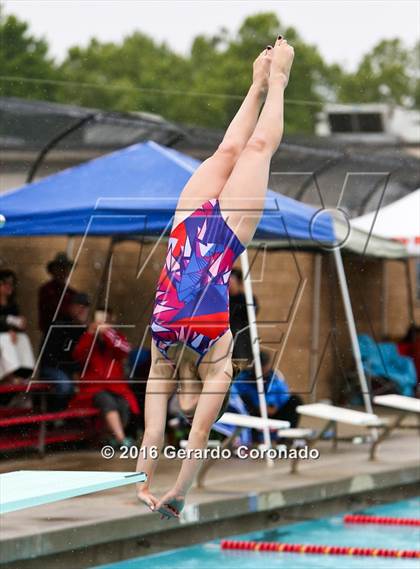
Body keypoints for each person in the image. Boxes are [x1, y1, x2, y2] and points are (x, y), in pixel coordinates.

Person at [136, 36, 295, 520]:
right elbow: (199, 436)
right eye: (193, 405)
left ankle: (255, 85)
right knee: (258, 149)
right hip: (226, 234)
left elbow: (151, 435)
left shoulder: (163, 357)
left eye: (182, 406)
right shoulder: (220, 359)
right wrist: (179, 492)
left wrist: (145, 484)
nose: (185, 406)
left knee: (228, 148)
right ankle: (281, 80)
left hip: (186, 225)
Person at [70, 305, 139, 447]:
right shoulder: (87, 337)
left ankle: (111, 436)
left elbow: (124, 350)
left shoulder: (116, 336)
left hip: (116, 387)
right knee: (107, 402)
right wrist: (91, 333)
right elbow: (79, 355)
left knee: (123, 405)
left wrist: (108, 334)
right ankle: (121, 439)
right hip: (93, 388)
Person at [38, 292, 90, 411]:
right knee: (65, 385)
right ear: (71, 307)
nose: (83, 309)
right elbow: (52, 357)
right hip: (53, 369)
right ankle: (55, 417)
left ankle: (72, 418)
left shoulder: (86, 330)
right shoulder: (58, 326)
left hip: (71, 371)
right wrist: (74, 373)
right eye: (79, 305)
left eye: (86, 306)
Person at [234, 350, 303, 430]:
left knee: (295, 400)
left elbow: (283, 395)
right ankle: (252, 435)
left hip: (273, 412)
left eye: (264, 367)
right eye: (259, 367)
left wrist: (272, 405)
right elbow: (236, 395)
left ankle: (287, 435)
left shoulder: (275, 378)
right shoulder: (243, 378)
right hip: (254, 413)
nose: (262, 371)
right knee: (244, 401)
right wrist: (258, 406)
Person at [0, 269, 35, 384]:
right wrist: (8, 329)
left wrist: (20, 324)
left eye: (11, 283)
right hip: (3, 337)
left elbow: (17, 323)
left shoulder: (13, 305)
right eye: (6, 283)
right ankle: (8, 375)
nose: (9, 287)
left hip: (12, 336)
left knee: (23, 339)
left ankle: (23, 373)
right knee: (5, 339)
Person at [38, 252, 77, 335]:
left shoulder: (71, 292)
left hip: (68, 333)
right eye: (60, 268)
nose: (63, 272)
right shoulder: (46, 290)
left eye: (66, 268)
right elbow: (54, 309)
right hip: (51, 333)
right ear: (53, 270)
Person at [229, 267, 259, 364]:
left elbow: (251, 314)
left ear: (239, 283)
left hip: (240, 341)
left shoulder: (247, 299)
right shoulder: (222, 299)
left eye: (231, 281)